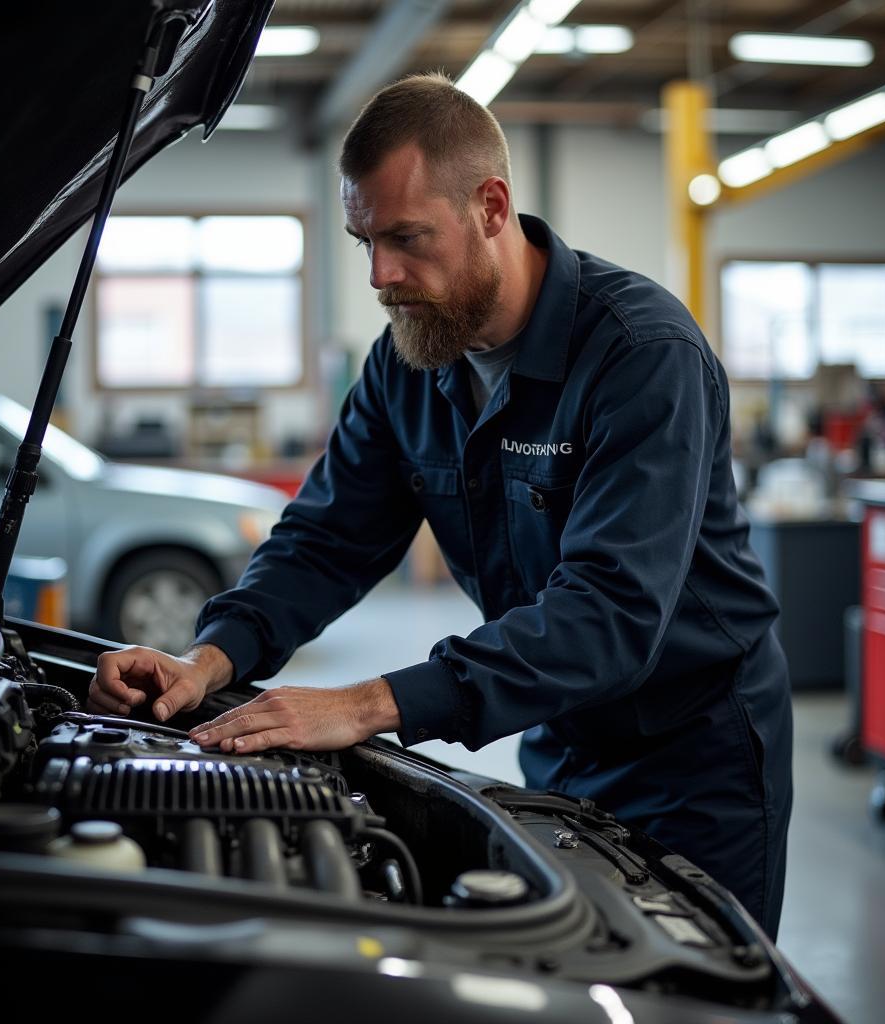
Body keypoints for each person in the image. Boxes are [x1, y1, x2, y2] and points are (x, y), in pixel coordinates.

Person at [88, 73, 792, 939]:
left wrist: (367, 702)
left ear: (491, 207)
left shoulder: (642, 357)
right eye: (364, 241)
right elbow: (324, 539)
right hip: (559, 735)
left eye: (406, 238)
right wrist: (209, 658)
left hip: (696, 759)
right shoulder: (406, 364)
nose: (382, 275)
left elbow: (608, 613)